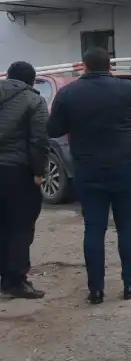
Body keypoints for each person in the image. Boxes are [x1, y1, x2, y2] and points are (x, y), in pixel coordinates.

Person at [47, 48, 131, 304]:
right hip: (125, 167)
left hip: (88, 169)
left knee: (93, 228)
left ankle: (96, 290)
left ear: (84, 66)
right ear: (109, 66)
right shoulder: (125, 88)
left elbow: (53, 129)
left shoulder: (68, 93)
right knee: (127, 226)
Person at [0, 61, 49, 299]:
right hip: (17, 171)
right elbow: (39, 139)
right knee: (20, 226)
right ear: (31, 80)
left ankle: (5, 276)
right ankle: (14, 280)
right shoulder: (34, 100)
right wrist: (39, 171)